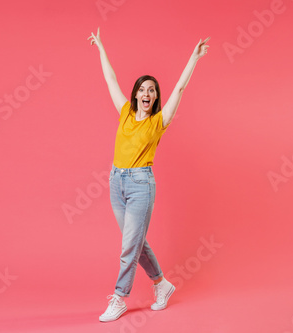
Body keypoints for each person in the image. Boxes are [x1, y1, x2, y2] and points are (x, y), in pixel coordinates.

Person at [88, 27, 209, 322]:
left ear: (155, 98)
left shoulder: (159, 121)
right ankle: (162, 285)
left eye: (151, 90)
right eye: (142, 89)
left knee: (129, 245)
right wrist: (101, 48)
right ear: (136, 94)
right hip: (116, 181)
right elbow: (110, 79)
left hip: (142, 184)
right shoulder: (125, 112)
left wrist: (193, 59)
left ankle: (119, 297)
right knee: (137, 242)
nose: (146, 93)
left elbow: (179, 89)